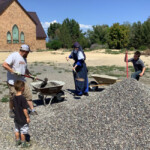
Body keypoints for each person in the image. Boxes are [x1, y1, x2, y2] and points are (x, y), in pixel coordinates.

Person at [2, 44, 38, 118]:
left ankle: (32, 110)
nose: (28, 53)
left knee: (28, 95)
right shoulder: (14, 55)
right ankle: (11, 110)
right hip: (13, 82)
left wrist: (31, 76)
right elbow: (4, 64)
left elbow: (25, 69)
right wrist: (13, 71)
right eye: (28, 52)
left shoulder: (24, 58)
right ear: (24, 51)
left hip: (22, 81)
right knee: (13, 97)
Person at [13, 80, 31, 148]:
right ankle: (23, 143)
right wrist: (27, 117)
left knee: (17, 129)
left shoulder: (14, 97)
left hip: (16, 117)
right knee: (23, 131)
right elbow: (24, 109)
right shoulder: (23, 98)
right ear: (23, 88)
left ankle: (17, 141)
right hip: (22, 118)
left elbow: (12, 106)